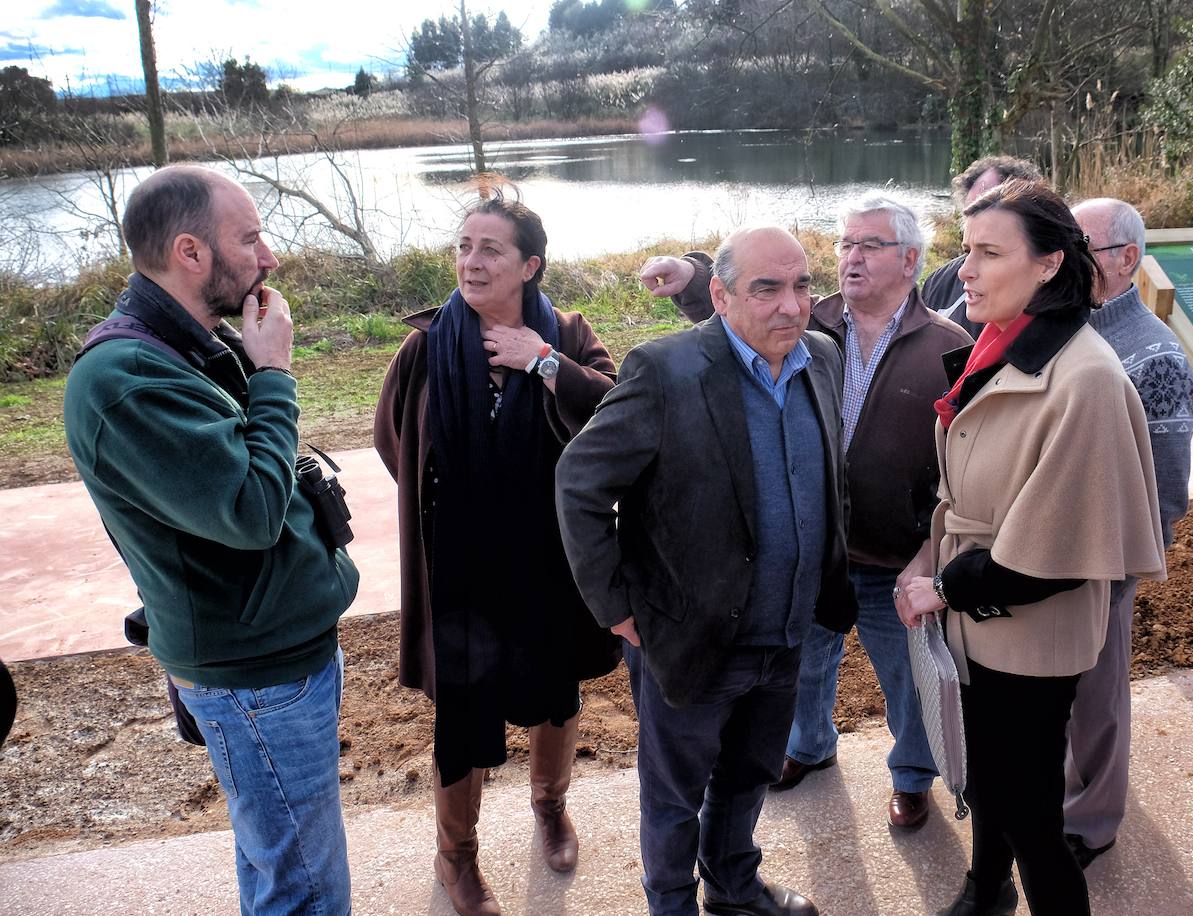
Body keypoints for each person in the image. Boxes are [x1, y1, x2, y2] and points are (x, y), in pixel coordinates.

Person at [63, 164, 360, 914]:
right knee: (305, 890)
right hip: (255, 676)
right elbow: (253, 508)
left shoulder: (188, 346)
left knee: (281, 862)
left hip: (270, 657)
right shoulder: (127, 381)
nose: (271, 257)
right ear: (190, 253)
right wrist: (274, 374)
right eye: (251, 238)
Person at [640, 192, 972, 830]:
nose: (850, 257)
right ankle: (807, 747)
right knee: (802, 665)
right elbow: (739, 316)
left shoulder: (947, 346)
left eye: (868, 246)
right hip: (806, 548)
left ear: (909, 260)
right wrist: (691, 279)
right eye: (844, 244)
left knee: (906, 676)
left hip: (892, 558)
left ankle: (911, 775)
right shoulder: (812, 323)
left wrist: (929, 556)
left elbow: (964, 463)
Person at [557, 225, 857, 916]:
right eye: (767, 289)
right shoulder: (665, 371)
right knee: (674, 792)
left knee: (750, 773)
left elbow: (829, 477)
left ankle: (732, 886)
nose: (792, 305)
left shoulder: (823, 356)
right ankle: (670, 904)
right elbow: (579, 483)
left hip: (787, 632)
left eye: (803, 284)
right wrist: (614, 606)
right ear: (719, 296)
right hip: (689, 635)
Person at [896, 180, 1167, 916]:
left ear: (1049, 264)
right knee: (989, 781)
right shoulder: (1002, 343)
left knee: (1031, 819)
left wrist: (941, 588)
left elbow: (1049, 554)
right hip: (977, 622)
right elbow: (963, 491)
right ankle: (987, 890)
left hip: (1027, 638)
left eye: (989, 253)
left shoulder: (1086, 380)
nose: (968, 272)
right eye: (965, 250)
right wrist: (928, 560)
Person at [373, 190, 621, 916]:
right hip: (460, 570)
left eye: (490, 250)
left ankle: (549, 805)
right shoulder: (424, 347)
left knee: (554, 691)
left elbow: (614, 414)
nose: (471, 262)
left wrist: (542, 362)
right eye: (463, 246)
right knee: (463, 712)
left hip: (549, 561)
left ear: (530, 266)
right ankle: (458, 857)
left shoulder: (568, 335)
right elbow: (398, 444)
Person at [1062, 197, 1193, 869]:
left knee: (1098, 698)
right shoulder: (1066, 329)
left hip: (1106, 561)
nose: (1062, 256)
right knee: (1059, 690)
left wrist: (1128, 571)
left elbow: (1169, 486)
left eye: (1078, 244)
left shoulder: (1156, 356)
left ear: (1126, 258)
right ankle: (1059, 797)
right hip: (1053, 553)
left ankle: (1093, 822)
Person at [921, 155, 1044, 335]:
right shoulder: (939, 283)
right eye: (971, 212)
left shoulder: (1062, 295)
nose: (965, 273)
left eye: (992, 206)